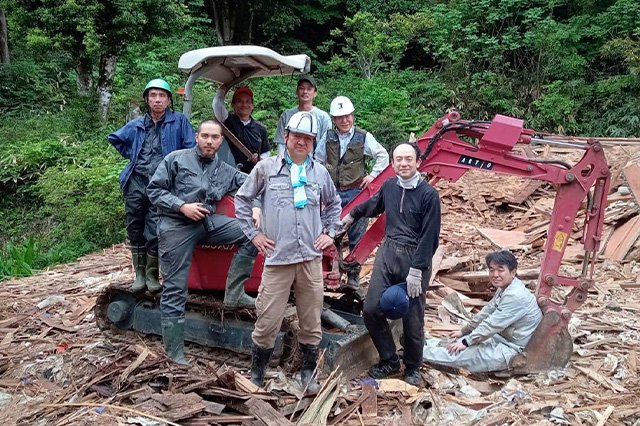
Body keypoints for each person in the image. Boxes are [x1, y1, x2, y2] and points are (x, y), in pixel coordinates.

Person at [235, 111, 342, 393]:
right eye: (297, 136)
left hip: (310, 259)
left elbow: (334, 205)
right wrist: (255, 235)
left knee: (311, 319)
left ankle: (308, 372)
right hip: (278, 260)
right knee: (267, 320)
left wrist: (329, 233)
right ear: (286, 137)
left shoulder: (319, 172)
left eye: (308, 138)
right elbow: (242, 200)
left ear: (314, 142)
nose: (302, 142)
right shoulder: (266, 169)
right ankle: (257, 374)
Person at [147, 119, 259, 364]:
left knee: (252, 233)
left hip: (207, 223)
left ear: (221, 141)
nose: (210, 141)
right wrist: (182, 206)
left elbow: (254, 183)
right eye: (205, 136)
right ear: (197, 137)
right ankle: (174, 352)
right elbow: (154, 191)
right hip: (176, 225)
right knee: (176, 288)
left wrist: (258, 207)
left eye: (215, 137)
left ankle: (235, 293)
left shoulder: (224, 169)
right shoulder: (176, 159)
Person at [340, 143, 441, 386]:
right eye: (399, 159)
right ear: (393, 164)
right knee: (372, 309)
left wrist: (417, 271)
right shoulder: (389, 186)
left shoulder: (429, 195)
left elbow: (430, 237)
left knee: (412, 317)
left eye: (408, 159)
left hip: (415, 258)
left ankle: (413, 367)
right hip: (388, 253)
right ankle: (389, 360)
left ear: (418, 162)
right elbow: (373, 204)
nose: (403, 163)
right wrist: (352, 215)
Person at [108, 79, 196, 294]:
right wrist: (133, 155)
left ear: (168, 100)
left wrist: (178, 171)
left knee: (156, 227)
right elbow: (115, 138)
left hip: (162, 184)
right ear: (147, 99)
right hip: (136, 181)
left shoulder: (179, 122)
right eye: (153, 95)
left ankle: (151, 274)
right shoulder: (137, 124)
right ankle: (138, 274)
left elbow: (190, 148)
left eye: (162, 96)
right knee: (135, 225)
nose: (157, 100)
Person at [422, 251, 543, 373]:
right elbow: (486, 312)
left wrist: (467, 341)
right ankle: (422, 343)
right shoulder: (505, 288)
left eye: (500, 270)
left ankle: (415, 352)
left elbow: (492, 324)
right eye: (491, 270)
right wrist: (464, 332)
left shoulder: (516, 296)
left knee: (457, 355)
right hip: (499, 338)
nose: (495, 275)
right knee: (455, 343)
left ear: (513, 272)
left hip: (512, 350)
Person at [315, 95, 389, 290]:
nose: (345, 120)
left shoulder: (363, 137)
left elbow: (383, 155)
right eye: (340, 117)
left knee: (356, 235)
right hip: (333, 195)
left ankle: (353, 277)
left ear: (353, 116)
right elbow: (317, 160)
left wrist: (372, 176)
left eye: (347, 116)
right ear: (333, 119)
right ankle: (334, 273)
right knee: (332, 233)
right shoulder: (328, 137)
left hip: (357, 193)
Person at [212, 85, 270, 174]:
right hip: (227, 173)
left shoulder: (261, 128)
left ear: (252, 105)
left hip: (251, 176)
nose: (244, 104)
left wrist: (259, 159)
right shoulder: (227, 120)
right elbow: (217, 104)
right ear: (233, 105)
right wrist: (223, 88)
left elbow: (265, 152)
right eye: (239, 101)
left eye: (248, 101)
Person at [274, 75, 331, 157]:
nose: (305, 92)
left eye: (309, 89)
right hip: (288, 163)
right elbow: (281, 143)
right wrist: (281, 163)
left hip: (313, 164)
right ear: (297, 92)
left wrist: (316, 167)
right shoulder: (286, 115)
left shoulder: (323, 117)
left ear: (315, 93)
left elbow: (325, 146)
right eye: (302, 88)